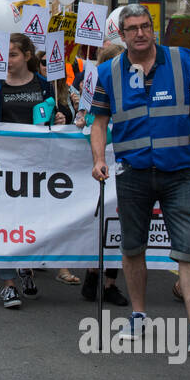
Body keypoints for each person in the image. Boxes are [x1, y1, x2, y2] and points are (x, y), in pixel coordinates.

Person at [89, 4, 190, 354]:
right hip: (133, 172)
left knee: (188, 247)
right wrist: (98, 159)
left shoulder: (182, 61)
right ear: (121, 34)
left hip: (179, 172)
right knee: (133, 246)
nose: (140, 33)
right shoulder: (108, 72)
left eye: (145, 26)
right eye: (132, 28)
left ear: (154, 29)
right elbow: (99, 123)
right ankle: (138, 315)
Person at [0, 33, 66, 308]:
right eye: (4, 54)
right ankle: (8, 284)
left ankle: (25, 267)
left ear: (27, 56)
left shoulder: (44, 85)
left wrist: (62, 118)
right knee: (5, 224)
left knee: (32, 223)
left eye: (13, 54)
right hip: (5, 167)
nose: (7, 60)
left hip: (39, 169)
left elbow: (58, 116)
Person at [75, 42, 129, 306]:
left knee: (119, 226)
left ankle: (110, 283)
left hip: (125, 168)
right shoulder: (96, 91)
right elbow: (92, 127)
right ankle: (92, 273)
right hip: (104, 166)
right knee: (99, 224)